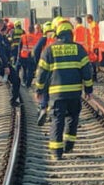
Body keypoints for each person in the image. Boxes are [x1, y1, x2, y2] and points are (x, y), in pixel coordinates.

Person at [35, 19, 94, 160]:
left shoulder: (49, 50)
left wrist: (39, 90)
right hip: (74, 92)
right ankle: (69, 144)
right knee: (73, 117)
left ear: (57, 33)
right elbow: (87, 71)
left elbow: (41, 72)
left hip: (56, 93)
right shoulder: (79, 49)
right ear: (70, 33)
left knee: (57, 119)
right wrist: (88, 89)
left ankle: (56, 152)